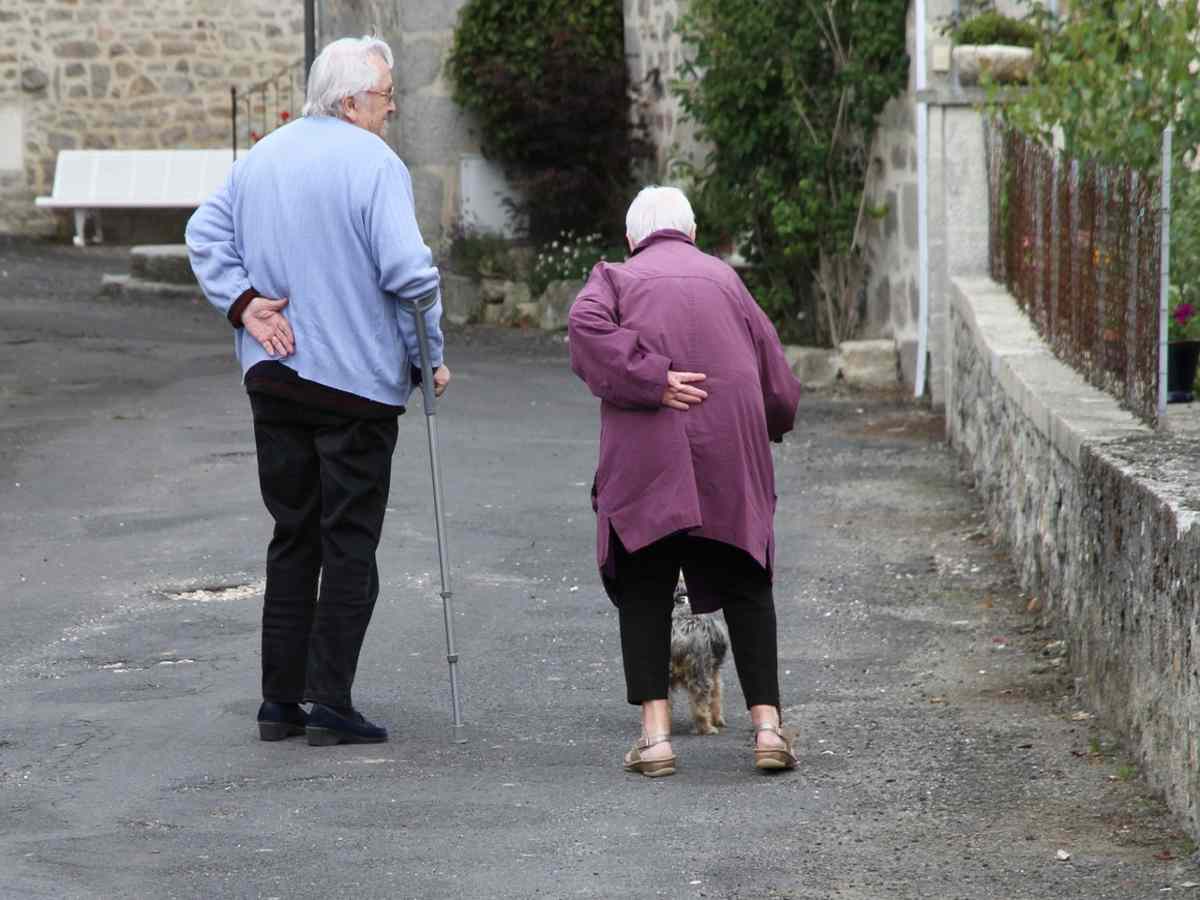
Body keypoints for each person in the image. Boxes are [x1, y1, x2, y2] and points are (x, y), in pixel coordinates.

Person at [186, 35, 449, 746]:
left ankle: (280, 703)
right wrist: (430, 357)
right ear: (353, 100)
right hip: (354, 384)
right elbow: (410, 275)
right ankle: (330, 699)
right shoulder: (375, 165)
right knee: (350, 543)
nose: (391, 111)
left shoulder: (263, 156)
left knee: (293, 535)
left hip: (274, 376)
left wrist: (243, 304)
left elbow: (202, 231)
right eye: (388, 99)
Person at [568, 186, 802, 776]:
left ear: (632, 237)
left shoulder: (615, 278)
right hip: (729, 452)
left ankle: (655, 739)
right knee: (748, 583)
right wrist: (768, 423)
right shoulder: (727, 281)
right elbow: (779, 383)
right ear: (692, 232)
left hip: (648, 457)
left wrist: (651, 378)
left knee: (646, 586)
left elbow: (583, 327)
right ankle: (769, 730)